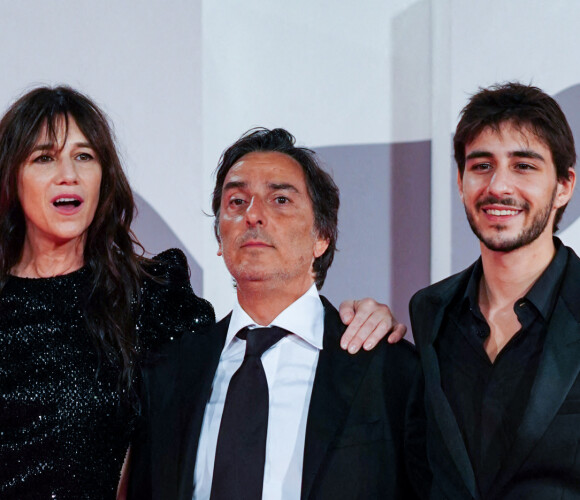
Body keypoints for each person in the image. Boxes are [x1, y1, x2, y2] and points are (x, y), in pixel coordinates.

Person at [0, 87, 400, 499]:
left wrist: (366, 318)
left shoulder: (151, 301)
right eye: (44, 157)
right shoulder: (190, 361)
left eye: (84, 156)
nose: (68, 174)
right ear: (12, 174)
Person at [127, 128, 427, 499]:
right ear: (220, 238)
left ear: (322, 236)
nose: (254, 215)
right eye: (236, 201)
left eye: (281, 200)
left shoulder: (390, 370)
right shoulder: (168, 373)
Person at [410, 82, 580, 499]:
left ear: (564, 186)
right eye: (482, 165)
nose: (498, 187)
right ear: (461, 180)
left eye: (524, 166)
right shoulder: (429, 311)